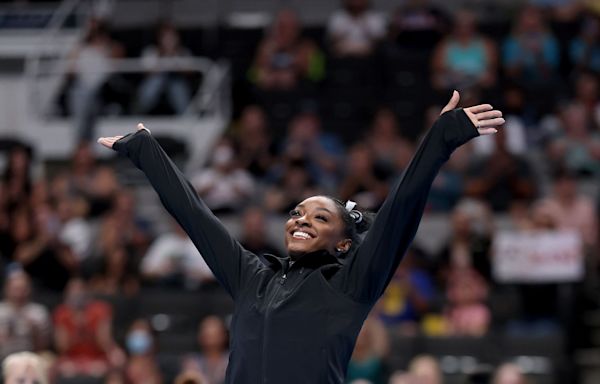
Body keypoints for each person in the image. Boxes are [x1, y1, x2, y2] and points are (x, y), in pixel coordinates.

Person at [98, 90, 504, 383]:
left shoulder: (351, 284)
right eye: (296, 212)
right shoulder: (252, 277)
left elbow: (398, 214)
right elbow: (196, 216)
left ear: (344, 243)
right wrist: (146, 151)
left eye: (320, 216)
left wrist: (439, 142)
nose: (300, 220)